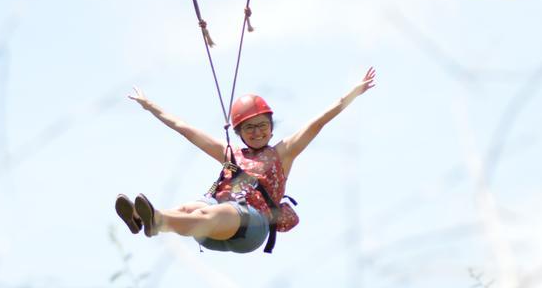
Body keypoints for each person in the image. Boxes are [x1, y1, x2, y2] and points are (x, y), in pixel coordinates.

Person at [116, 68, 377, 253]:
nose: (257, 132)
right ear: (239, 133)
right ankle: (146, 219)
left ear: (271, 128)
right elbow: (184, 128)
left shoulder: (282, 154)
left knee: (211, 212)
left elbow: (317, 123)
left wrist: (352, 94)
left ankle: (158, 221)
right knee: (190, 207)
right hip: (216, 221)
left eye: (262, 126)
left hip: (251, 225)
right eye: (249, 128)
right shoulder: (231, 155)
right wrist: (150, 106)